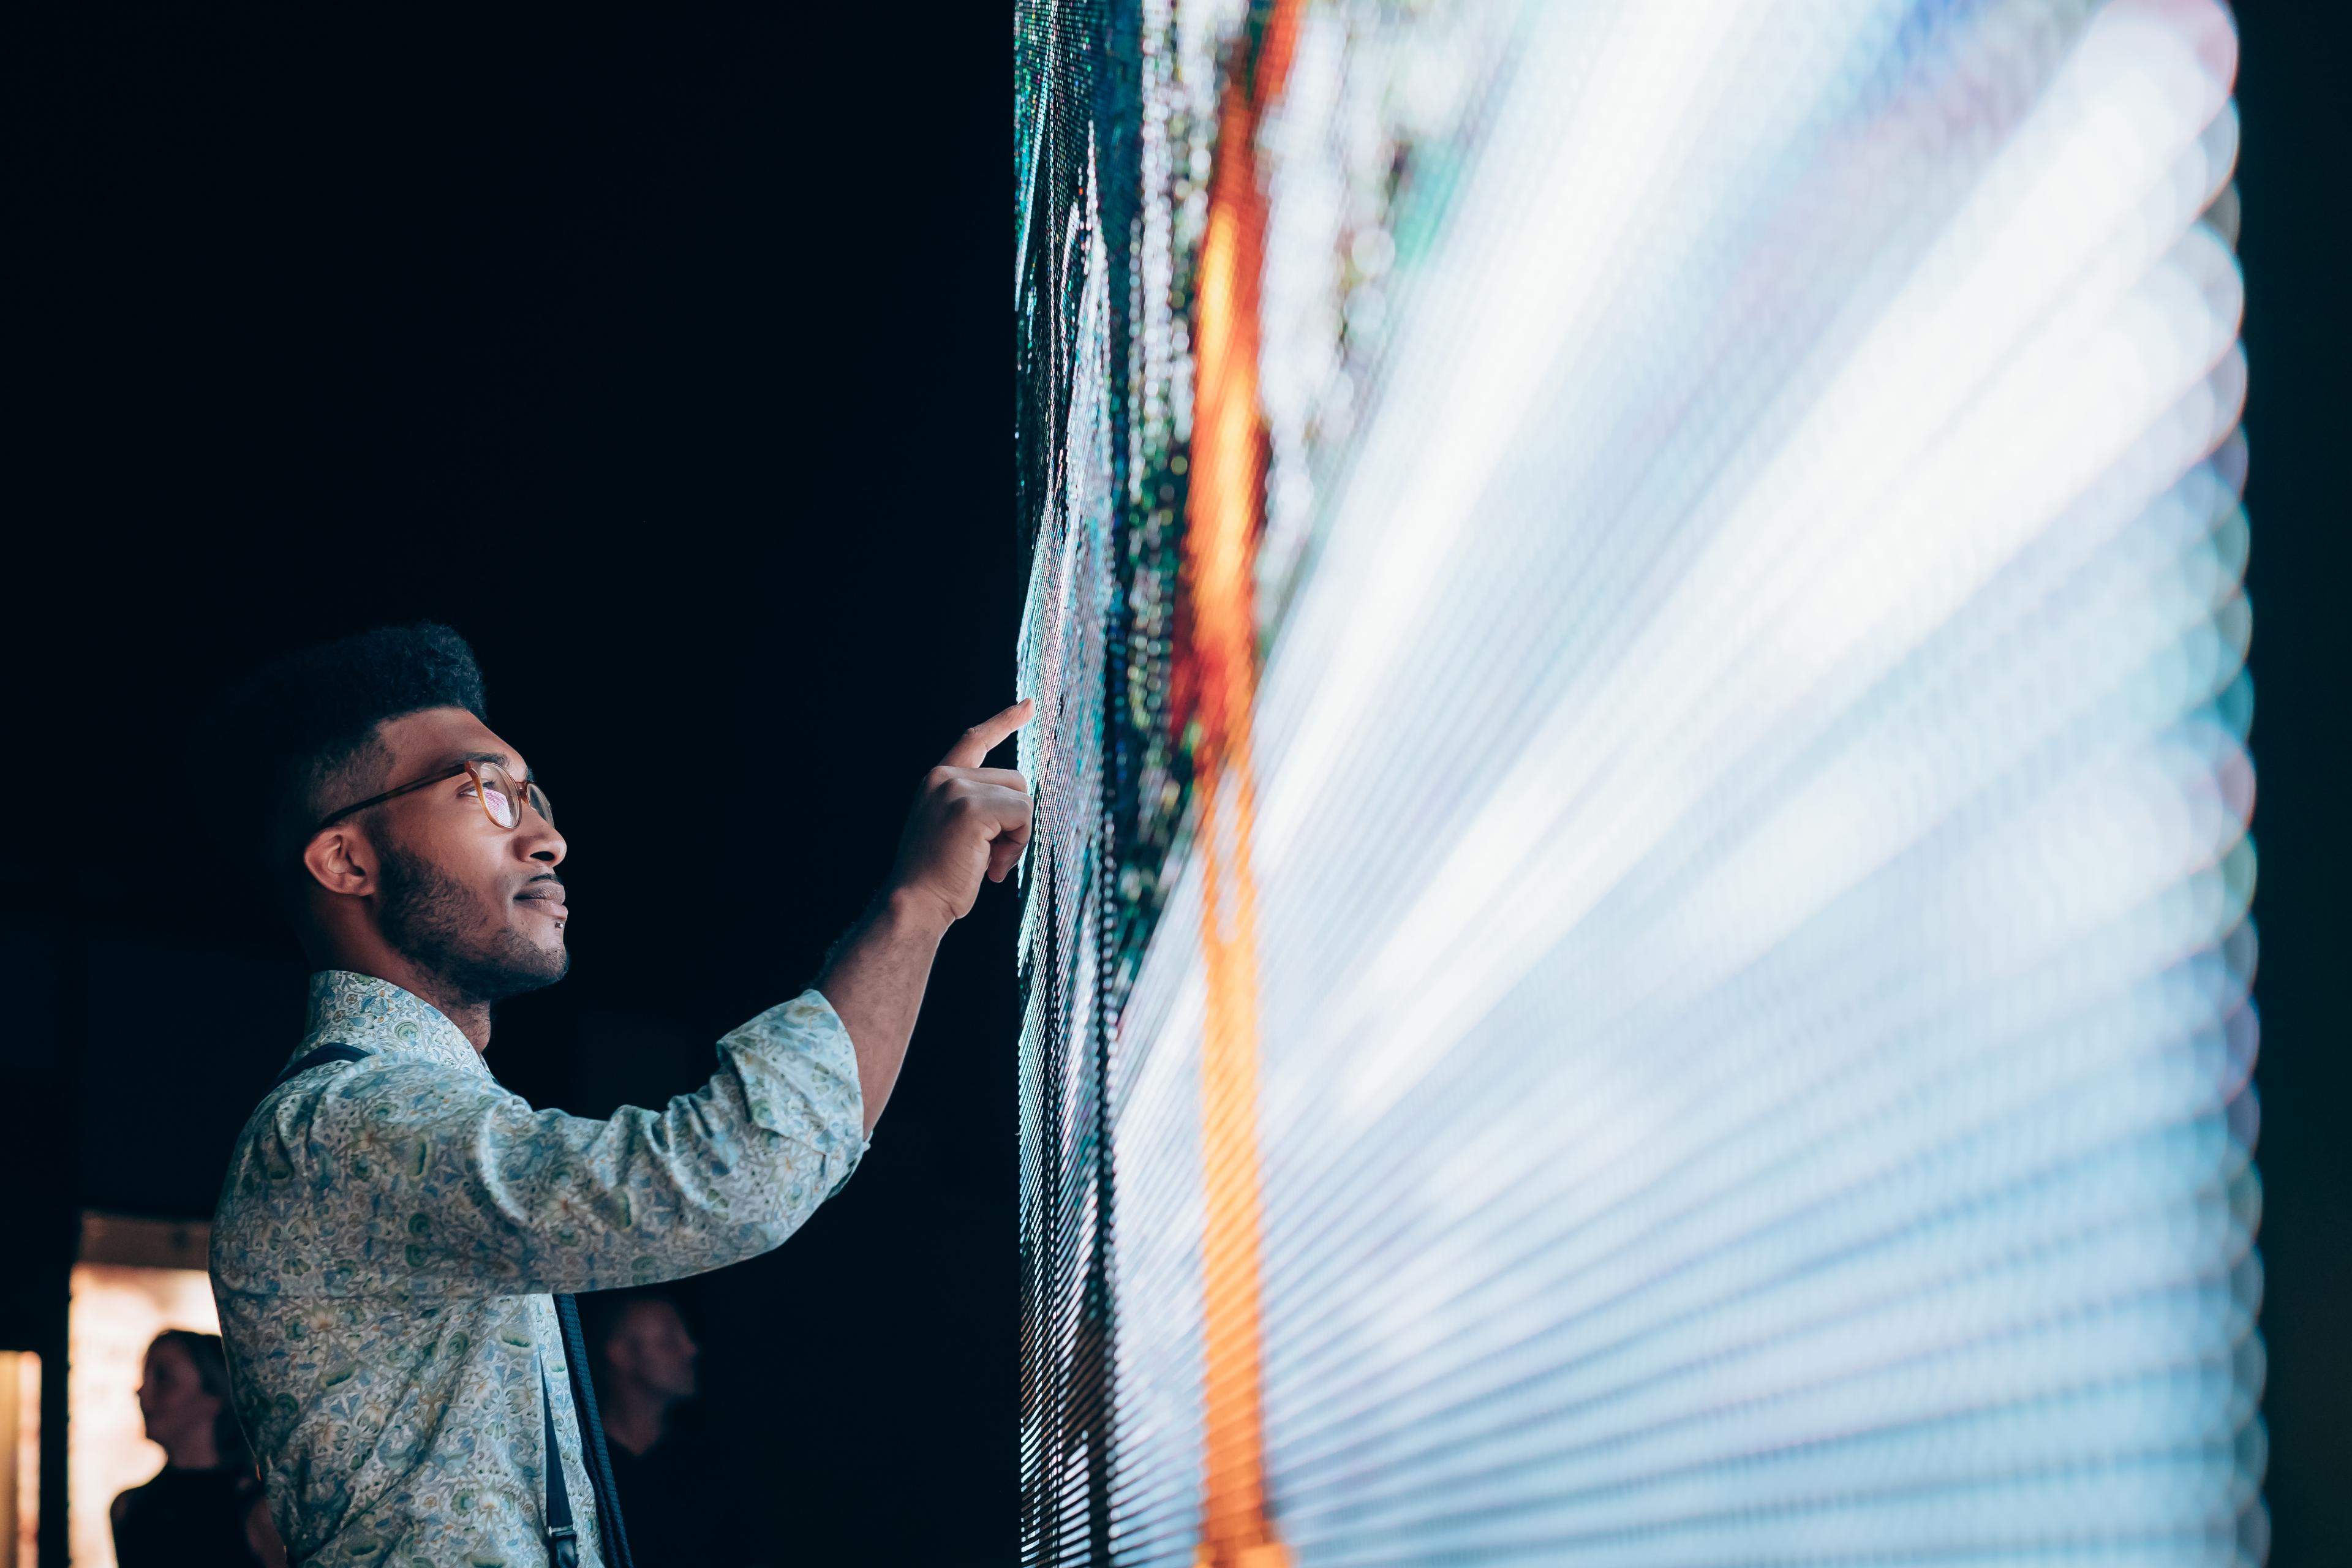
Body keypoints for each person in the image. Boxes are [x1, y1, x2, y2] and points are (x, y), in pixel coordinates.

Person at [202, 623, 1032, 1567]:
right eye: (484, 793)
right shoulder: (338, 1126)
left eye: (533, 795)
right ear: (347, 862)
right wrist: (918, 902)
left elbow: (771, 1169)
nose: (548, 837)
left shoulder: (407, 1115)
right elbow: (733, 1178)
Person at [581, 1293, 752, 1566]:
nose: (691, 1349)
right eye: (669, 1341)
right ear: (621, 1354)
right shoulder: (579, 1464)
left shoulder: (708, 1464)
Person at [110, 1330, 287, 1568]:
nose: (141, 1391)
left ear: (215, 1397)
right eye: (146, 1376)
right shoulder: (126, 1506)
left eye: (163, 1377)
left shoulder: (261, 1513)